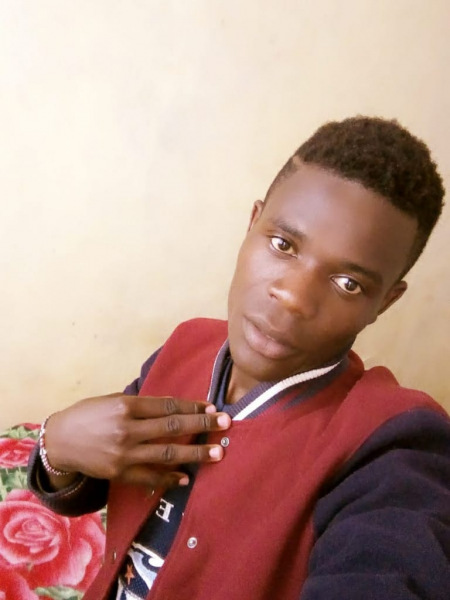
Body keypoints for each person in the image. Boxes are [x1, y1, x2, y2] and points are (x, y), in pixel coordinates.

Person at [28, 116, 450, 600]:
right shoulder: (187, 345)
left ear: (385, 303)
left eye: (348, 283)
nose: (293, 297)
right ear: (252, 224)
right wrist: (55, 445)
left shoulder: (395, 442)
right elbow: (97, 472)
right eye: (283, 245)